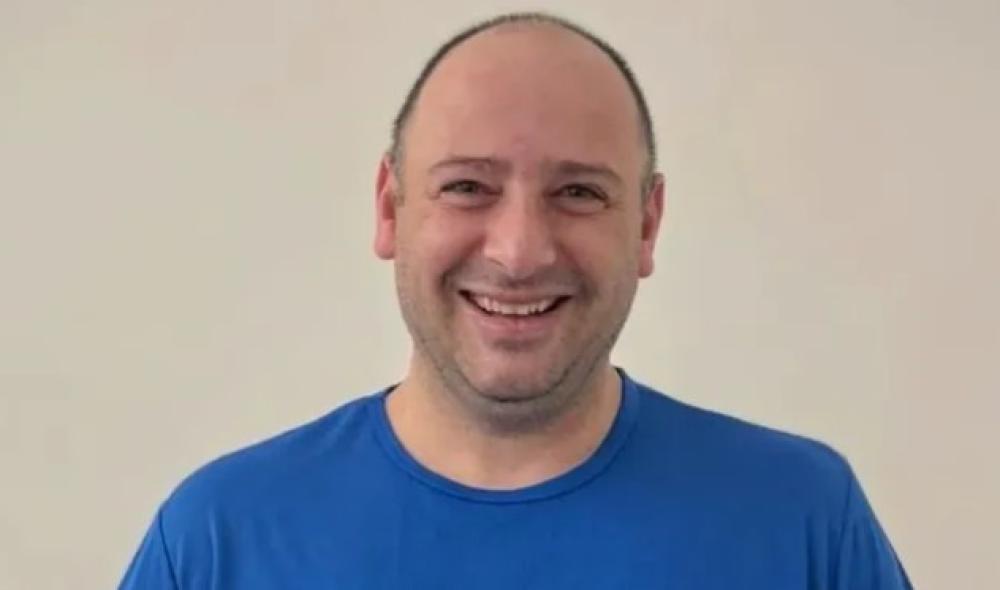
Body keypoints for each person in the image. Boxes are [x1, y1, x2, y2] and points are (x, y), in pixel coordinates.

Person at [120, 12, 912, 589]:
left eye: (579, 192)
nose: (520, 251)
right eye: (468, 186)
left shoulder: (800, 520)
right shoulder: (220, 539)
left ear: (647, 224)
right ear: (391, 209)